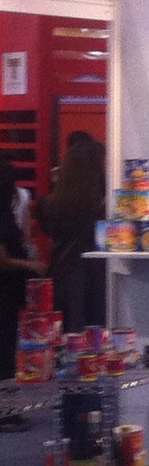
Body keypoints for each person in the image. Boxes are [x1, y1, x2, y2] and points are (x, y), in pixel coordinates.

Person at [36, 135, 105, 334]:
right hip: (96, 275)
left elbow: (50, 231)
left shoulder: (47, 205)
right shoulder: (102, 207)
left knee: (65, 335)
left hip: (62, 274)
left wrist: (55, 183)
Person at [0, 160, 40, 430]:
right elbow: (2, 259)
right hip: (4, 293)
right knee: (4, 354)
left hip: (7, 293)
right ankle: (5, 414)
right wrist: (31, 265)